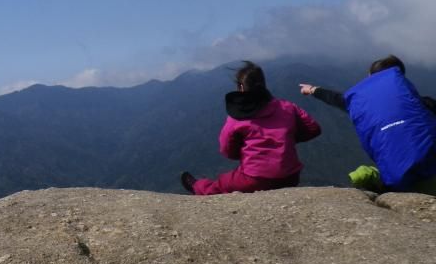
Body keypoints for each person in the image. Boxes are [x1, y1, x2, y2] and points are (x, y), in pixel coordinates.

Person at [299, 55, 436, 195]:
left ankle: (371, 179)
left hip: (395, 178)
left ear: (370, 76)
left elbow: (337, 99)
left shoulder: (358, 101)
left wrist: (313, 90)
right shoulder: (423, 105)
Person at [181, 61, 321, 195]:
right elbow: (313, 128)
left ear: (241, 88)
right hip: (291, 177)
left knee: (222, 183)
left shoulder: (236, 118)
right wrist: (286, 139)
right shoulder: (288, 107)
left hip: (255, 179)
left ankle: (197, 186)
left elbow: (226, 150)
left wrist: (243, 152)